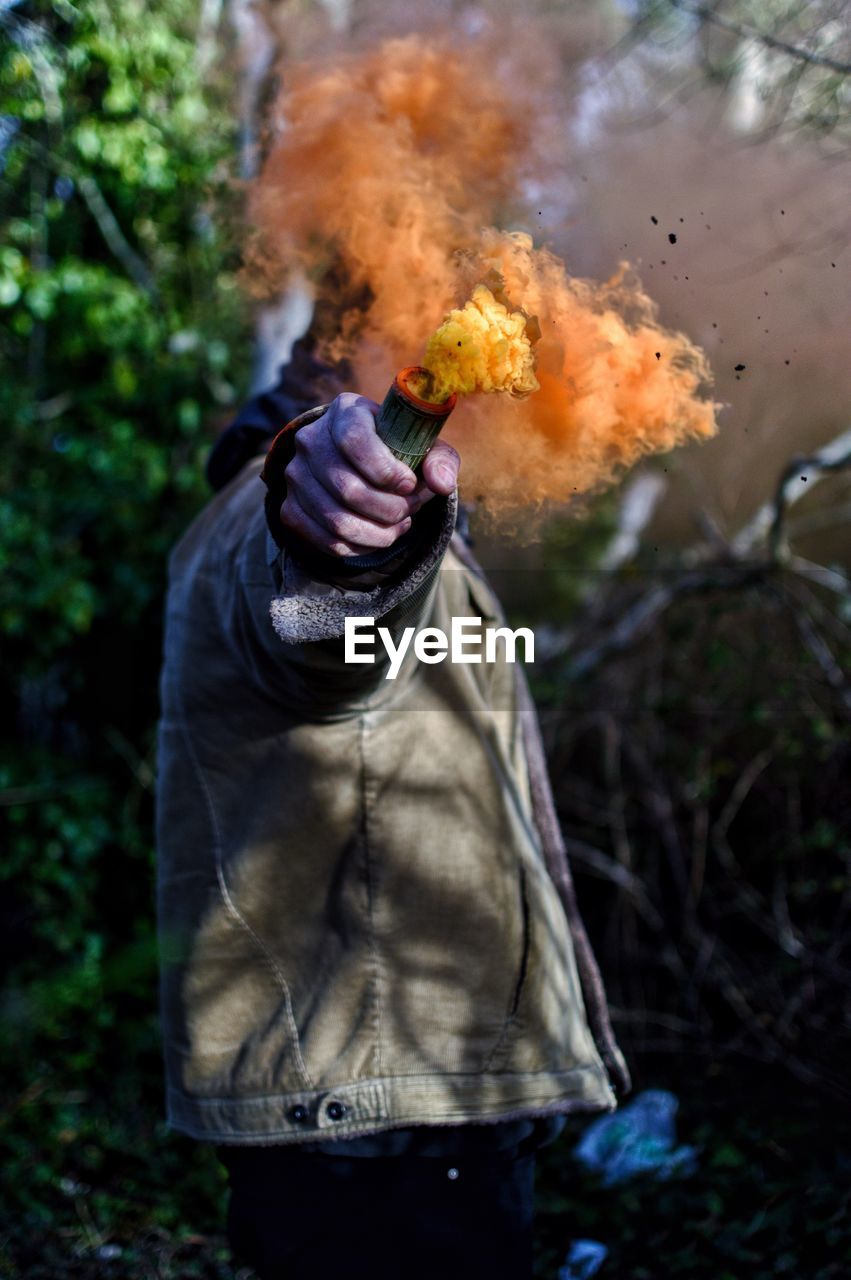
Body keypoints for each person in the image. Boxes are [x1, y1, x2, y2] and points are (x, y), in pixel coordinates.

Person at [155, 337, 631, 1280]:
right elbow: (313, 626)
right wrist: (335, 546)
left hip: (381, 1096)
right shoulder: (265, 513)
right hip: (385, 1121)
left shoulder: (220, 525)